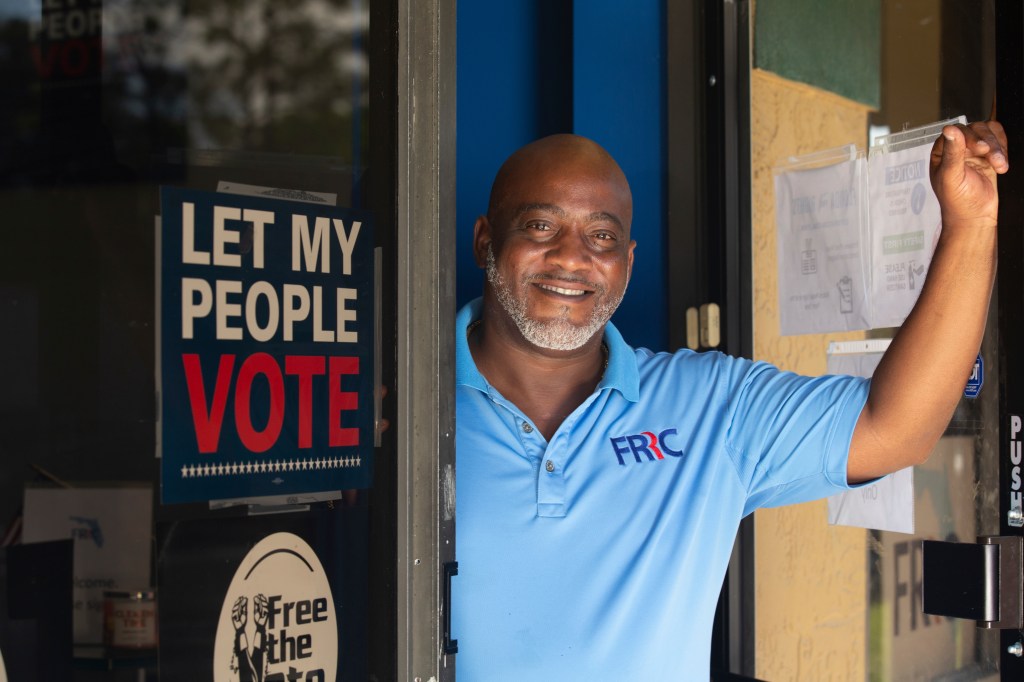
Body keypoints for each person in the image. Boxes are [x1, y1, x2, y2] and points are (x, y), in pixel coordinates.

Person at [452, 124, 1008, 680]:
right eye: (541, 225)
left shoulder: (712, 405)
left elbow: (896, 430)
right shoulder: (412, 409)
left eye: (602, 236)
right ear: (485, 241)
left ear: (629, 261)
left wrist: (970, 226)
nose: (572, 257)